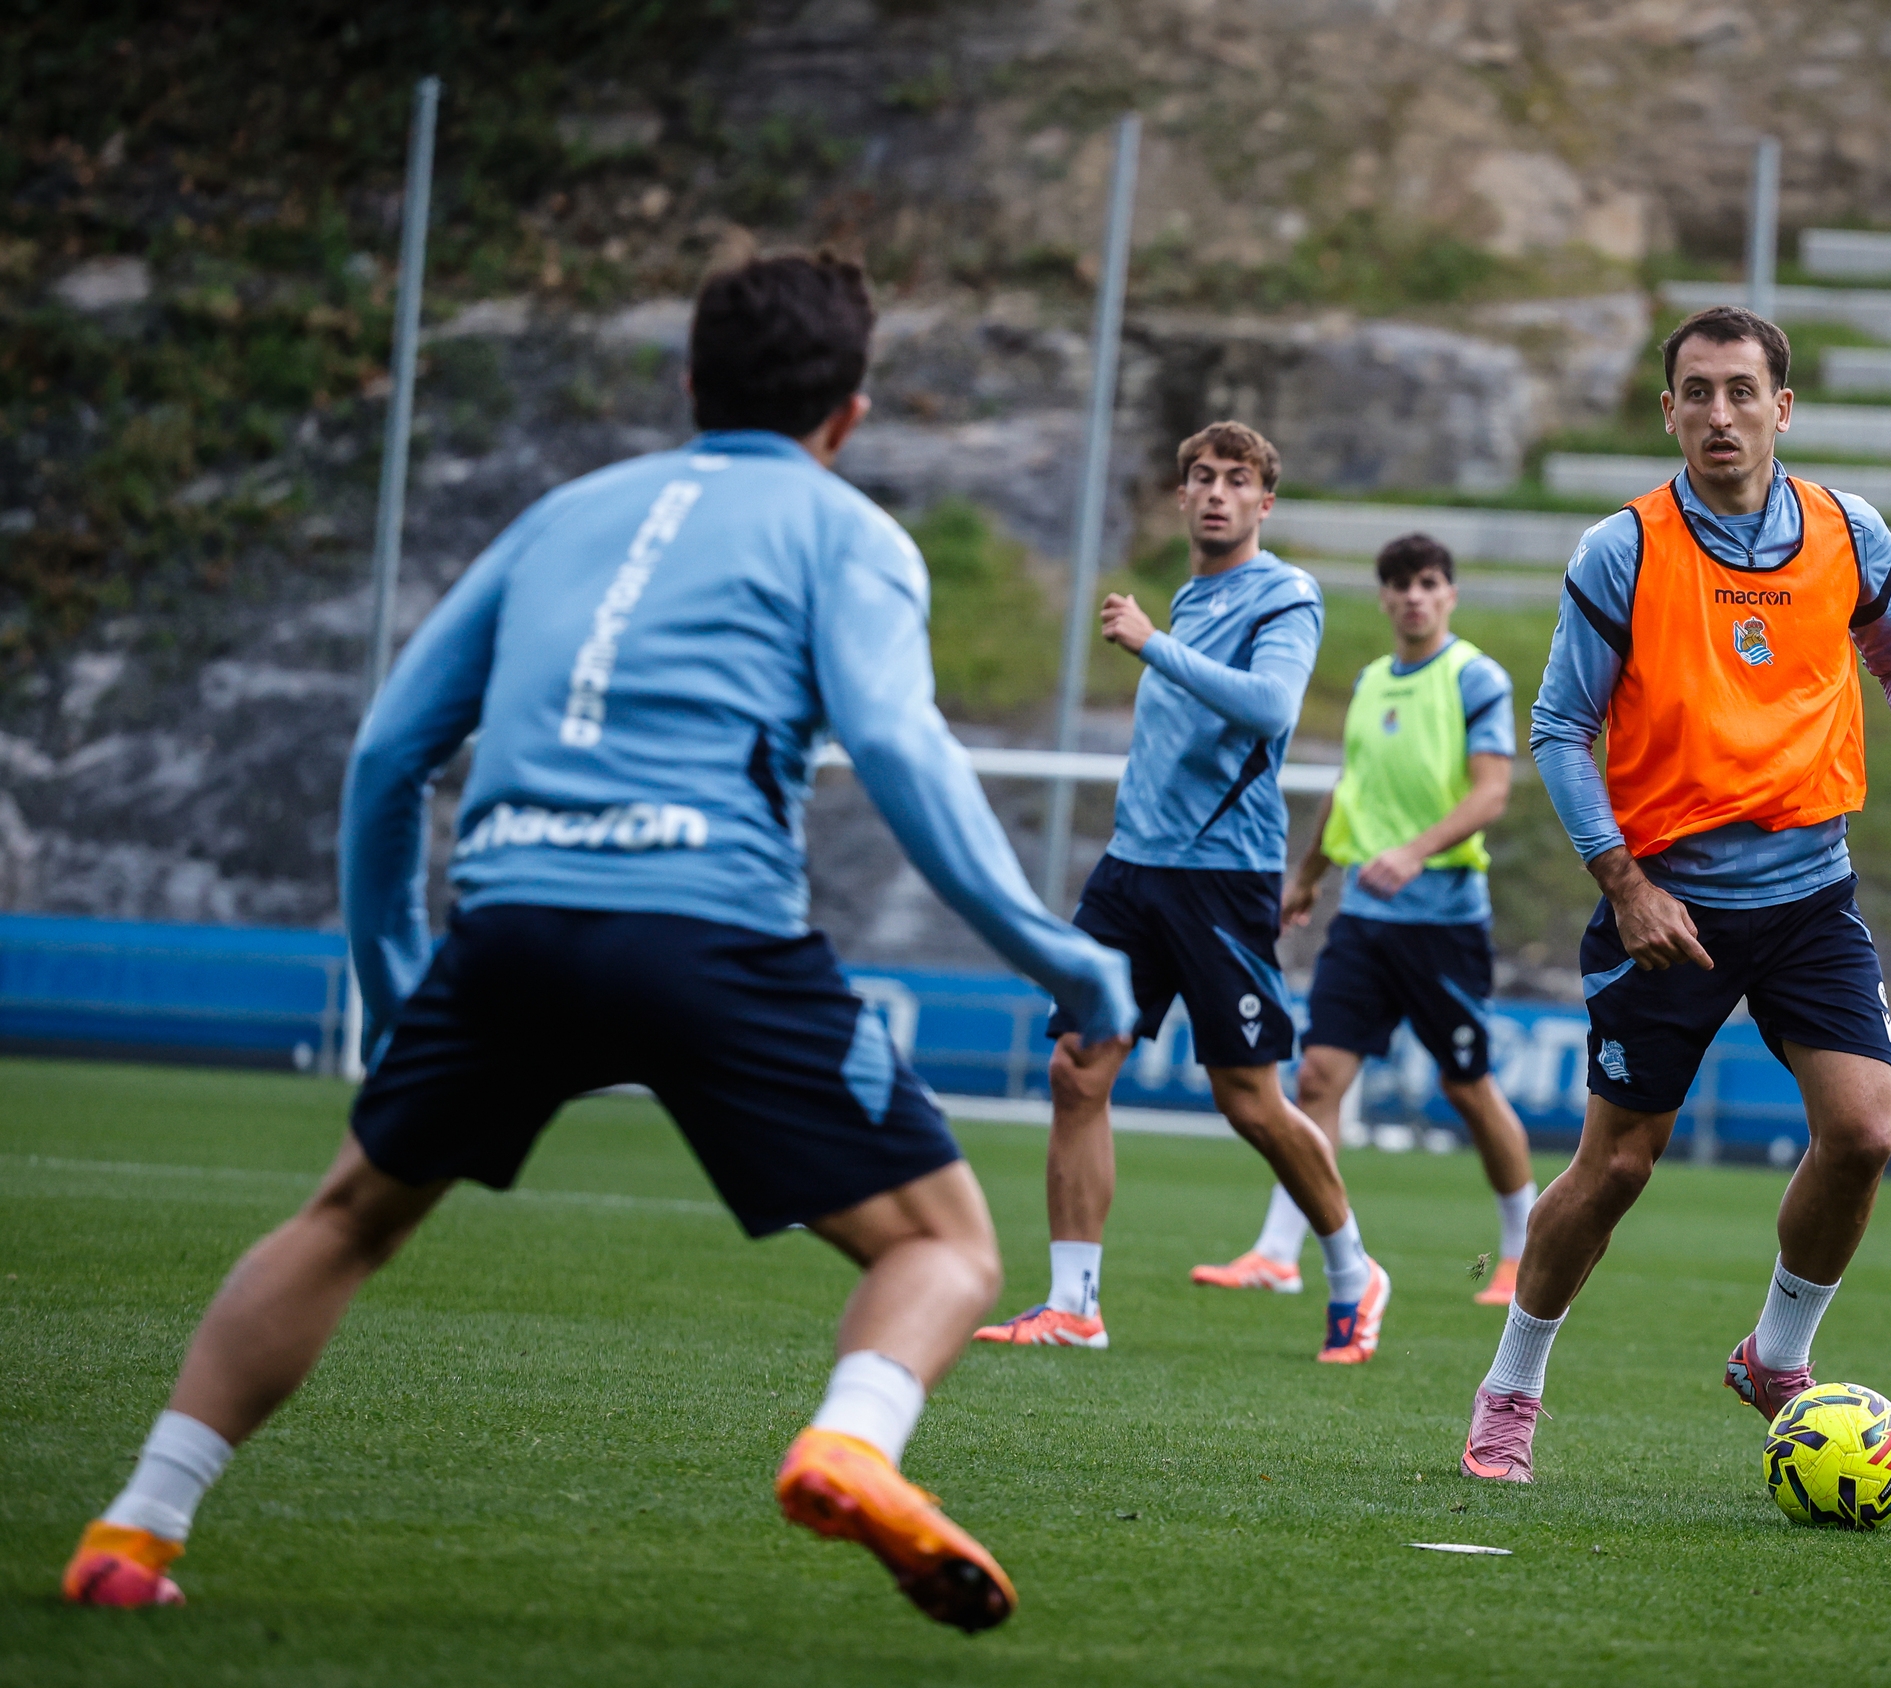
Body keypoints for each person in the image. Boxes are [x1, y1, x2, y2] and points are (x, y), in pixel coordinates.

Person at [58, 254, 1137, 1630]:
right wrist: (1053, 949)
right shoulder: (849, 533)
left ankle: (137, 1525)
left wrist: (398, 985)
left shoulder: (561, 514)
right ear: (849, 415)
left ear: (690, 384)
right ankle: (850, 1444)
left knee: (343, 1221)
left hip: (508, 925)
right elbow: (895, 745)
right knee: (943, 1247)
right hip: (710, 928)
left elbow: (389, 755)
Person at [1458, 306, 1891, 1483]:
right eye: (1698, 393)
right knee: (1615, 1168)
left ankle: (1776, 1355)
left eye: (1743, 391)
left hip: (1812, 891)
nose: (1722, 414)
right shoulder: (1624, 549)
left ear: (1783, 407)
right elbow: (1559, 727)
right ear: (1669, 412)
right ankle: (1511, 1385)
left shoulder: (1849, 530)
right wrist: (1625, 881)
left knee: (1863, 1133)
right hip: (1668, 902)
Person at [976, 422, 1391, 1362]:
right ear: (1181, 495)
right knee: (1077, 1069)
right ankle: (1074, 1304)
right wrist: (1162, 635)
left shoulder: (1285, 594)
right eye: (1201, 476)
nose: (1215, 492)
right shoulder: (1190, 596)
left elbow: (1272, 708)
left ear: (1264, 502)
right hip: (1132, 869)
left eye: (1236, 480)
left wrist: (1153, 644)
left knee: (1249, 1099)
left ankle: (1352, 1268)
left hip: (1220, 878)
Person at [1195, 532, 1540, 1307]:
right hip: (1362, 920)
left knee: (1467, 1086)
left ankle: (1524, 1251)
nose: (1414, 596)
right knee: (1317, 1076)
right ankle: (1278, 1253)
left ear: (1449, 594)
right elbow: (1350, 789)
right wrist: (1308, 876)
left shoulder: (1474, 677)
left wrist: (1414, 852)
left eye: (1428, 582)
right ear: (1383, 597)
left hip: (1444, 922)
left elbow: (1491, 791)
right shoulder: (1370, 681)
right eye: (1400, 584)